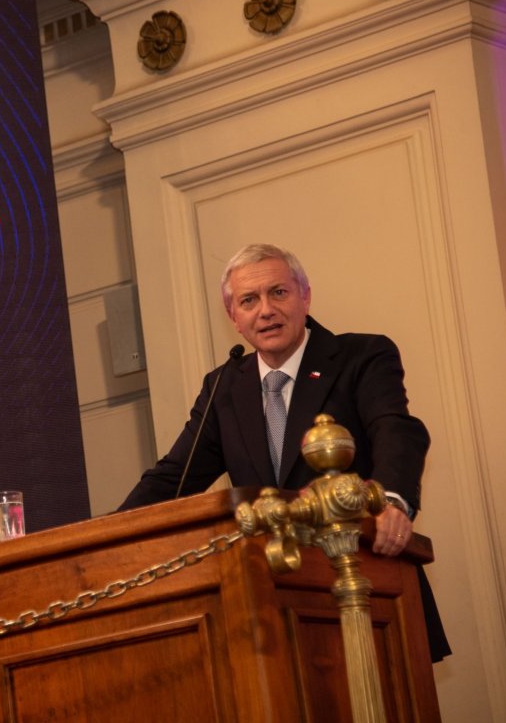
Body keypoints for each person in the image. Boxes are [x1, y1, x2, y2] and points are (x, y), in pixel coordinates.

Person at [118, 243, 450, 661]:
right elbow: (174, 477)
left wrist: (395, 500)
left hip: (367, 583)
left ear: (305, 296)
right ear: (233, 318)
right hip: (276, 603)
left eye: (279, 293)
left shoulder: (360, 356)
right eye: (249, 300)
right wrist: (106, 543)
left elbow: (396, 429)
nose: (266, 310)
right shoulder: (224, 386)